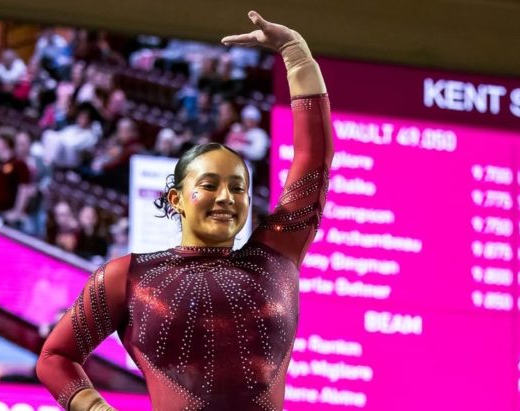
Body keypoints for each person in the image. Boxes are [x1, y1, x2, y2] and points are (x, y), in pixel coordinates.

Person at [37, 11, 332, 411]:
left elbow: (313, 160)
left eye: (238, 188)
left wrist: (297, 57)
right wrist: (96, 408)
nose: (226, 197)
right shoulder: (129, 277)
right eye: (209, 185)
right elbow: (55, 358)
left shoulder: (275, 259)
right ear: (176, 198)